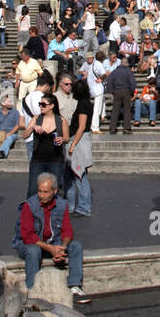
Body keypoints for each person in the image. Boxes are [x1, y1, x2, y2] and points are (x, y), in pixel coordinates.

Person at [14, 173, 88, 302]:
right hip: (30, 245)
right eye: (39, 191)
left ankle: (75, 286)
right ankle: (32, 290)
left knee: (76, 246)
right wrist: (50, 248)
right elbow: (27, 235)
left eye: (45, 192)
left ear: (54, 191)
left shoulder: (62, 204)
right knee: (33, 251)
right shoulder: (29, 205)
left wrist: (62, 248)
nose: (41, 195)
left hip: (54, 242)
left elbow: (67, 230)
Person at [27, 93, 68, 200]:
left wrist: (62, 139)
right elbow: (24, 135)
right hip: (38, 159)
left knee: (56, 189)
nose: (40, 106)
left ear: (51, 106)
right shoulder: (36, 118)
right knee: (33, 189)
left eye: (43, 104)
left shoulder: (61, 120)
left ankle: (56, 213)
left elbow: (67, 138)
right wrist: (32, 127)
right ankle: (31, 213)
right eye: (39, 104)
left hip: (56, 159)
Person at [65, 79, 93, 216]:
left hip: (79, 141)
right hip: (82, 140)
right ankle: (79, 205)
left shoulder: (82, 105)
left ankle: (84, 206)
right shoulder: (87, 103)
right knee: (76, 174)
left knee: (79, 174)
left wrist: (73, 144)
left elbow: (81, 126)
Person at [105, 53, 136, 135]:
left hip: (116, 91)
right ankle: (126, 128)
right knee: (127, 110)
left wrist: (111, 91)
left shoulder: (114, 72)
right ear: (126, 64)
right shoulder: (128, 71)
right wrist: (131, 92)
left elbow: (109, 82)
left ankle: (112, 128)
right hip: (126, 91)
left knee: (115, 110)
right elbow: (133, 83)